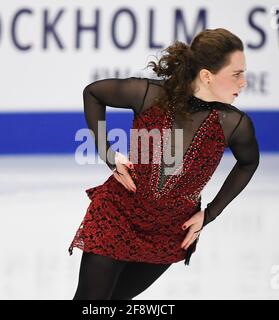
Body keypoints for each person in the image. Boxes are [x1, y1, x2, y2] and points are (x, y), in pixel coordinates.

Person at [69, 28, 260, 300]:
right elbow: (94, 93)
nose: (243, 83)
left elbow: (248, 163)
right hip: (118, 214)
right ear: (207, 76)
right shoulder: (150, 95)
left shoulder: (234, 125)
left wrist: (209, 214)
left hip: (169, 232)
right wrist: (109, 155)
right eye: (236, 74)